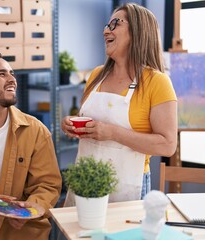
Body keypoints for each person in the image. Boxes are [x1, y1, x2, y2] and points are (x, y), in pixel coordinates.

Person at [61, 3, 177, 204]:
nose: (106, 29)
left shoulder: (157, 81)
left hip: (128, 184)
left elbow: (167, 145)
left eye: (115, 23)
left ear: (138, 32)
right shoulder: (96, 75)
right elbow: (87, 121)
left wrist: (112, 133)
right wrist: (71, 124)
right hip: (86, 178)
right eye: (107, 24)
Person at [0, 48, 62, 240]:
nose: (12, 79)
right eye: (1, 74)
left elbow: (48, 185)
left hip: (17, 230)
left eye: (12, 73)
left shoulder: (36, 130)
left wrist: (34, 206)